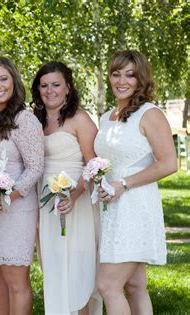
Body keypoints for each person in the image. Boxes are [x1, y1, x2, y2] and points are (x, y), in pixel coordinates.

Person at [94, 50, 177, 315]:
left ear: (141, 79)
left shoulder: (150, 114)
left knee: (107, 286)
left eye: (130, 75)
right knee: (134, 285)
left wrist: (124, 184)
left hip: (135, 207)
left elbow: (168, 163)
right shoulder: (107, 117)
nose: (122, 81)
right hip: (111, 209)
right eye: (116, 73)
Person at [0, 56, 44, 315]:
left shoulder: (24, 120)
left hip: (16, 208)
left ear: (14, 80)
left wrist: (10, 196)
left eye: (3, 79)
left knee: (16, 281)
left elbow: (35, 166)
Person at [32, 61, 102, 315]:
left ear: (68, 88)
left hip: (77, 202)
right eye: (44, 85)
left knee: (78, 268)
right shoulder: (35, 121)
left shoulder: (80, 119)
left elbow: (95, 165)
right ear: (38, 89)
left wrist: (74, 195)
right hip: (46, 203)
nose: (50, 91)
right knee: (54, 267)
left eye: (56, 85)